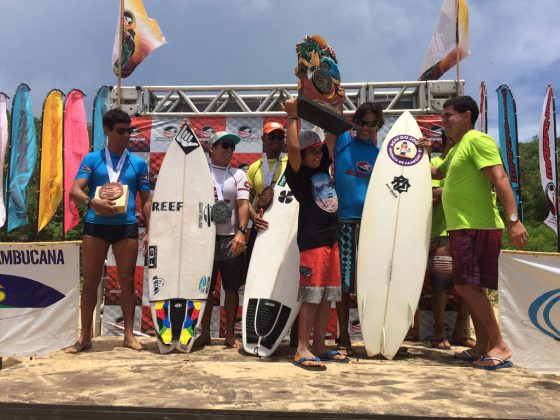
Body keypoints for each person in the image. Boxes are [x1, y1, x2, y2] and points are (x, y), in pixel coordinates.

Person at [422, 95, 528, 370]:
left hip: (478, 225)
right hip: (460, 227)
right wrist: (420, 151)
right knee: (468, 286)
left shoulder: (478, 140)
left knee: (466, 286)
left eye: (448, 115)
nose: (442, 121)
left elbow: (500, 178)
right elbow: (436, 170)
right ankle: (482, 345)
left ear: (467, 115)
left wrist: (514, 220)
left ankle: (499, 345)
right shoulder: (456, 149)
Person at [66, 108, 151, 353]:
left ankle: (128, 335)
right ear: (107, 130)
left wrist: (150, 230)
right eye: (121, 131)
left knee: (126, 282)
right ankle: (84, 338)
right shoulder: (92, 159)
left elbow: (146, 199)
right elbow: (74, 191)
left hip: (126, 227)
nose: (127, 136)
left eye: (130, 131)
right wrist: (92, 202)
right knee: (90, 280)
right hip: (96, 225)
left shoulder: (138, 163)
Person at [282, 98, 347, 370]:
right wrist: (293, 115)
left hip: (331, 240)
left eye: (318, 151)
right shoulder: (297, 173)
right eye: (312, 152)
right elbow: (294, 147)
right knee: (310, 296)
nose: (317, 155)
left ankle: (319, 344)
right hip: (312, 242)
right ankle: (302, 349)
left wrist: (335, 104)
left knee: (326, 296)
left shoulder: (322, 166)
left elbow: (333, 134)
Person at [325, 102, 384, 356]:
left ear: (378, 126)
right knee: (344, 283)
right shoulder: (341, 143)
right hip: (344, 221)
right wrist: (337, 98)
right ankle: (344, 335)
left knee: (373, 282)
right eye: (360, 122)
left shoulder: (383, 155)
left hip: (372, 225)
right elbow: (330, 121)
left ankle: (375, 338)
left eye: (371, 123)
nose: (365, 128)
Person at [198, 131, 251, 349]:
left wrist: (241, 232)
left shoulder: (238, 174)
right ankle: (203, 334)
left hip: (230, 239)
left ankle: (230, 334)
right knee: (204, 290)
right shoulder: (199, 172)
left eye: (232, 147)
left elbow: (243, 205)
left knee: (231, 289)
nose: (229, 150)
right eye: (224, 146)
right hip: (204, 240)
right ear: (212, 148)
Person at [427, 133, 475, 350]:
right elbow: (432, 197)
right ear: (448, 141)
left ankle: (460, 332)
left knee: (470, 283)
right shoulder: (435, 164)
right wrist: (463, 188)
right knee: (441, 285)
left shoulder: (469, 164)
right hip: (442, 232)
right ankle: (438, 332)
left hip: (467, 230)